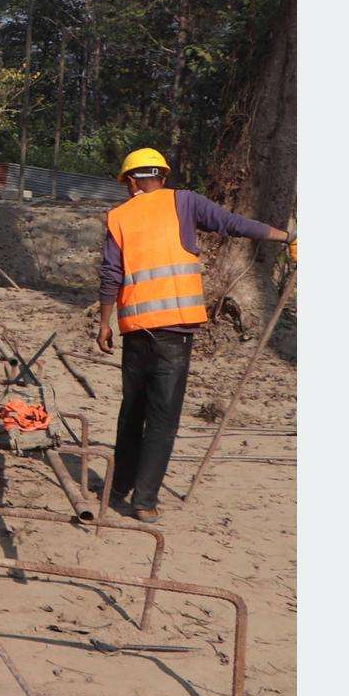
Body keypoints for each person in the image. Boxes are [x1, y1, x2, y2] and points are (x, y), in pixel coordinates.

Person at [96, 147, 292, 522]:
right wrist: (287, 236)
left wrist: (104, 324)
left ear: (132, 181)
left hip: (135, 330)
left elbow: (110, 273)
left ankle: (118, 486)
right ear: (162, 177)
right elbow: (233, 224)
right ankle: (144, 501)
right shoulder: (184, 202)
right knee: (163, 417)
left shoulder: (119, 216)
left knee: (132, 410)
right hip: (175, 331)